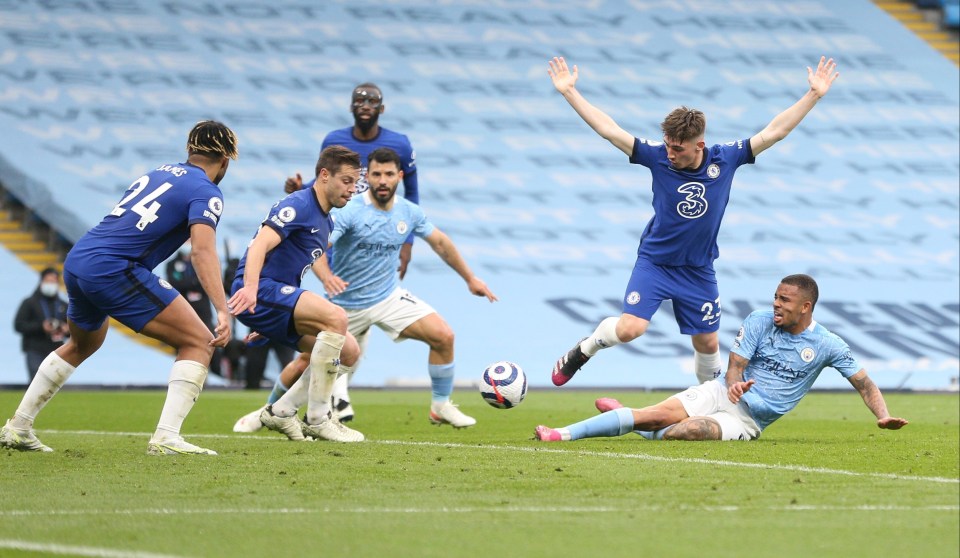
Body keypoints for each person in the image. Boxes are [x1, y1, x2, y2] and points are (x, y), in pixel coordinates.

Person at [547, 56, 840, 388]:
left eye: (678, 149)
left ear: (699, 145)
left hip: (698, 269)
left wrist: (813, 94)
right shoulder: (656, 157)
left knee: (707, 344)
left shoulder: (725, 158)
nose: (670, 154)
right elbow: (608, 130)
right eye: (668, 146)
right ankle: (582, 351)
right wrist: (569, 92)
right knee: (631, 330)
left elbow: (776, 131)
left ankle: (705, 405)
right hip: (656, 263)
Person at [0, 121, 238, 455]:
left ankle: (18, 427)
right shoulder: (207, 191)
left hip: (79, 259)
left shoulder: (158, 173)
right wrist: (222, 309)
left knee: (83, 343)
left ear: (189, 151)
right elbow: (201, 250)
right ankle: (167, 437)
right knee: (199, 341)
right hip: (115, 267)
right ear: (225, 161)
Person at [233, 147, 496, 433]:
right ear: (367, 178)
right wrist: (326, 278)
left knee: (442, 335)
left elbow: (441, 243)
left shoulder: (406, 212)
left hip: (387, 297)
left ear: (400, 176)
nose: (382, 180)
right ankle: (272, 412)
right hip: (345, 302)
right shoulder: (343, 212)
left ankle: (441, 405)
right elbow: (309, 250)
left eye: (389, 174)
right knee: (310, 360)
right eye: (376, 174)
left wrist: (470, 278)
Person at [535, 274, 909, 442]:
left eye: (785, 300)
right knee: (656, 416)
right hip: (720, 392)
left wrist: (883, 415)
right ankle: (562, 435)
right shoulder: (760, 320)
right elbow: (735, 368)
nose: (775, 304)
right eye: (776, 297)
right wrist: (733, 386)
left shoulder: (829, 345)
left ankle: (624, 415)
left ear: (806, 307)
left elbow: (864, 382)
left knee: (687, 432)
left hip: (750, 423)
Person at [227, 145, 364, 443]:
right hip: (258, 288)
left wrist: (269, 322)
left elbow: (291, 271)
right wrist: (251, 290)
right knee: (336, 317)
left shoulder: (327, 222)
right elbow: (260, 245)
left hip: (276, 300)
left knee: (350, 351)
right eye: (347, 181)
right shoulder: (299, 204)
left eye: (355, 183)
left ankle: (282, 410)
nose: (353, 189)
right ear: (325, 175)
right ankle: (317, 418)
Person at [165, 243, 222, 376]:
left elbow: (208, 282)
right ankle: (183, 375)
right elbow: (175, 284)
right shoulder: (173, 263)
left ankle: (216, 374)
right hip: (182, 308)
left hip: (203, 310)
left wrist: (191, 283)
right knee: (183, 341)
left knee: (210, 340)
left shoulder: (203, 262)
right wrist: (193, 283)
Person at [13, 267, 69, 381]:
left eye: (53, 282)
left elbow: (72, 331)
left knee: (54, 384)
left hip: (57, 350)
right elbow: (18, 325)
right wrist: (41, 327)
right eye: (48, 281)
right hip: (35, 349)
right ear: (41, 282)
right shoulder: (29, 303)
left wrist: (66, 329)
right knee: (36, 382)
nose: (51, 284)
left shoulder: (63, 305)